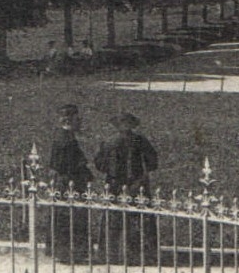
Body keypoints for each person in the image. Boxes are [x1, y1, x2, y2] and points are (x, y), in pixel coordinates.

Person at [94, 113, 160, 263]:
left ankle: (111, 253)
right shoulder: (139, 140)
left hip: (115, 183)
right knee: (137, 216)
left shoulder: (110, 141)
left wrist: (110, 170)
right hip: (136, 182)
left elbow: (99, 164)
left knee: (114, 216)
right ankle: (138, 254)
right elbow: (153, 161)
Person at [46, 104, 93, 260]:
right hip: (69, 182)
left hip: (66, 181)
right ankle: (69, 252)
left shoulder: (65, 137)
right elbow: (65, 164)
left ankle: (63, 251)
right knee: (71, 217)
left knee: (66, 216)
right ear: (68, 120)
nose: (79, 122)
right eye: (76, 119)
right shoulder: (66, 140)